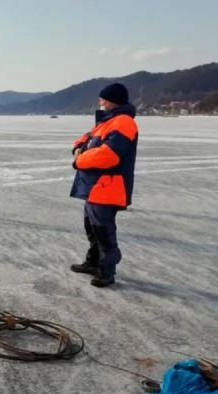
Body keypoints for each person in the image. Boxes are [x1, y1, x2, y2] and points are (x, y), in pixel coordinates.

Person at [70, 82, 138, 288]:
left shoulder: (124, 123)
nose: (100, 102)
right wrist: (77, 148)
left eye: (103, 99)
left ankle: (107, 270)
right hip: (93, 187)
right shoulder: (106, 122)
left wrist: (79, 160)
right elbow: (84, 139)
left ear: (112, 100)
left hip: (107, 187)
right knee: (91, 227)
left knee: (103, 231)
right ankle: (93, 262)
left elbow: (109, 155)